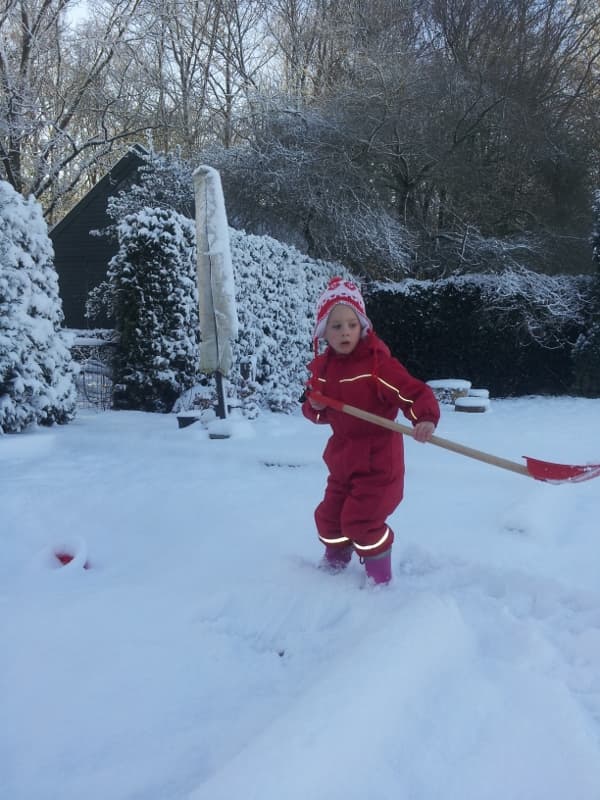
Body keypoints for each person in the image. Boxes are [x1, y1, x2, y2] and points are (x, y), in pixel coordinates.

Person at [302, 277, 440, 584]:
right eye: (336, 326)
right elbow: (315, 409)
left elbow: (412, 392)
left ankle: (380, 581)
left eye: (351, 324)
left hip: (379, 463)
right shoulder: (323, 370)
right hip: (342, 460)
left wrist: (424, 418)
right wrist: (315, 407)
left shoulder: (376, 365)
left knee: (361, 523)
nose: (345, 332)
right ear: (324, 331)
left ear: (362, 326)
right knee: (328, 519)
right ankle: (335, 565)